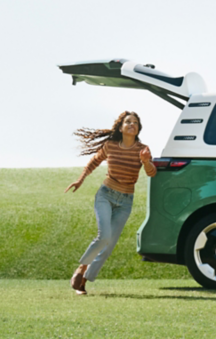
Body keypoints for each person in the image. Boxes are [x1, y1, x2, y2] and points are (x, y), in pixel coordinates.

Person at [65, 111, 156, 295]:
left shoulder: (143, 149)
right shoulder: (110, 146)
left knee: (109, 245)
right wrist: (80, 180)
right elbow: (94, 162)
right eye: (128, 122)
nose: (132, 124)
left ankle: (83, 281)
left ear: (138, 128)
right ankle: (81, 269)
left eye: (135, 123)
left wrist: (146, 161)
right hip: (105, 195)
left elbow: (151, 173)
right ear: (121, 127)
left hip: (125, 201)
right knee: (104, 236)